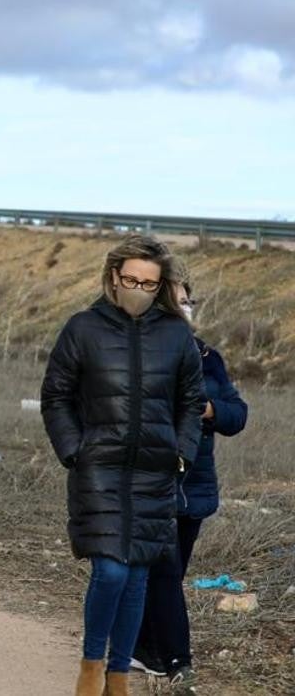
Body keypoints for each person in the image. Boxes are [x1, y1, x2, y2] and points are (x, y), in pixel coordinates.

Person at [40, 235, 205, 696]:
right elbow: (56, 395)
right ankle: (92, 666)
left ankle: (118, 676)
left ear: (161, 287)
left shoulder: (176, 334)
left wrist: (182, 451)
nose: (138, 288)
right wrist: (75, 450)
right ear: (114, 276)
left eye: (149, 284)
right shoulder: (82, 328)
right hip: (99, 468)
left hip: (155, 470)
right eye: (131, 279)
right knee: (110, 571)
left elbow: (192, 400)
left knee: (136, 577)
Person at [131, 258, 247, 694]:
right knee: (158, 569)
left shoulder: (208, 358)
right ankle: (179, 660)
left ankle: (145, 648)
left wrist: (210, 410)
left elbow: (238, 415)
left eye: (188, 301)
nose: (184, 308)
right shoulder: (137, 350)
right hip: (149, 482)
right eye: (175, 301)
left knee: (168, 574)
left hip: (192, 489)